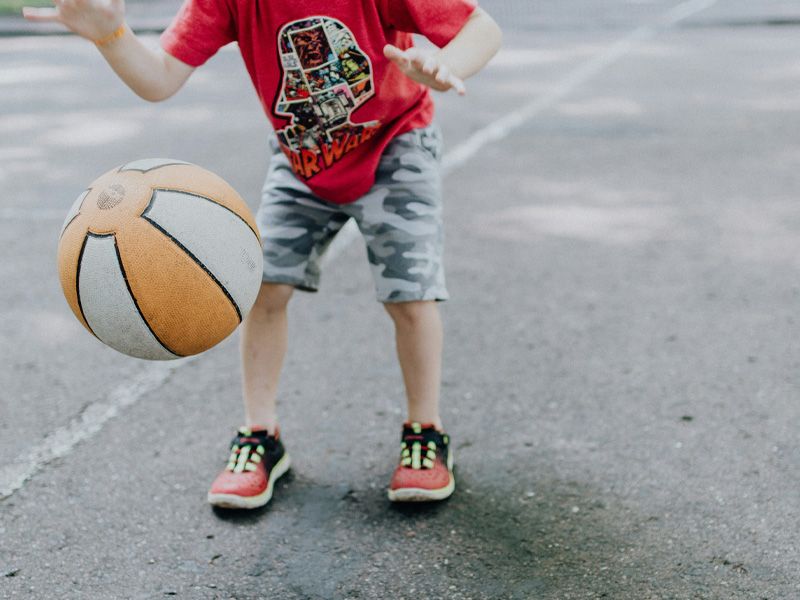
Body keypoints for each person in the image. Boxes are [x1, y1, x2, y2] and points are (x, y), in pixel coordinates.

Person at [24, 0, 502, 507]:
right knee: (262, 284)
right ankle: (260, 435)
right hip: (302, 158)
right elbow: (160, 79)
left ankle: (425, 432)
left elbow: (481, 27)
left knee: (410, 294)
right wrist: (111, 34)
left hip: (396, 143)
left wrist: (447, 66)